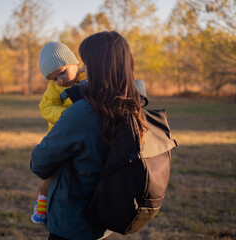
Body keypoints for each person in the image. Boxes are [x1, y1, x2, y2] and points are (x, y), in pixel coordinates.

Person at [30, 31, 147, 240]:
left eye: (86, 63)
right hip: (105, 219)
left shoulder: (82, 113)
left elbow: (38, 163)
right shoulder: (133, 106)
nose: (84, 68)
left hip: (72, 224)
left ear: (99, 67)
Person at [31, 41, 86, 224]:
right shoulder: (54, 89)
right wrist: (64, 115)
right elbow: (45, 107)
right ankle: (42, 203)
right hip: (60, 135)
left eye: (61, 72)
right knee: (52, 174)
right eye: (54, 78)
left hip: (83, 136)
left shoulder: (88, 76)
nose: (60, 80)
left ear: (74, 62)